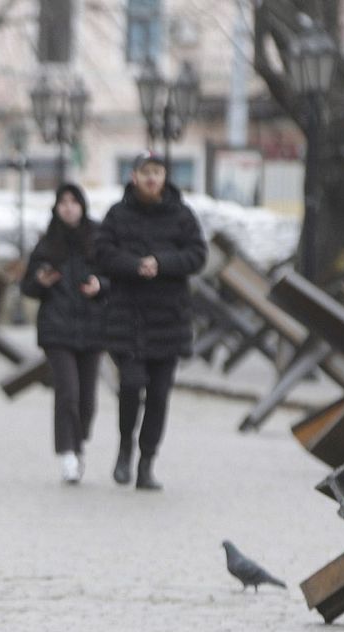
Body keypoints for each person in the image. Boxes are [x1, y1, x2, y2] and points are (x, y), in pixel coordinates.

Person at [94, 152, 206, 490]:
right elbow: (101, 252)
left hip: (169, 319)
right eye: (146, 172)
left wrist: (163, 263)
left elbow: (197, 255)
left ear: (165, 176)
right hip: (127, 318)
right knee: (130, 386)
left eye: (157, 172)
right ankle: (125, 445)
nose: (152, 178)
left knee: (158, 396)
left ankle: (146, 463)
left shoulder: (182, 215)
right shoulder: (117, 214)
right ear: (134, 177)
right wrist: (133, 265)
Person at [19, 183, 109, 484]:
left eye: (74, 202)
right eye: (63, 202)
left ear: (82, 206)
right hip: (57, 329)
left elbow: (114, 278)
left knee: (87, 401)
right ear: (56, 207)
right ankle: (68, 453)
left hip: (93, 327)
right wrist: (41, 281)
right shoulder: (47, 242)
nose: (68, 207)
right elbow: (27, 286)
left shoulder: (99, 239)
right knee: (67, 393)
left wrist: (101, 285)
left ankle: (78, 441)